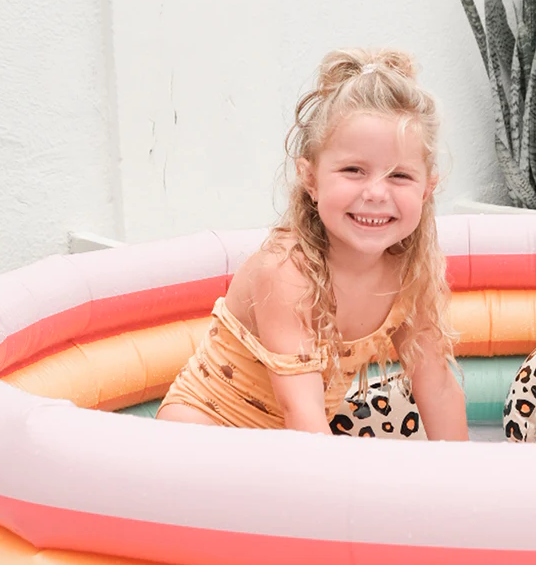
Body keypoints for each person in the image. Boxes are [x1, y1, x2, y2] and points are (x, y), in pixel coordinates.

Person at [157, 48, 468, 440]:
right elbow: (301, 412)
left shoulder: (410, 272)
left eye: (399, 176)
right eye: (353, 170)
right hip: (201, 434)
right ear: (310, 179)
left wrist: (465, 475)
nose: (376, 193)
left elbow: (437, 388)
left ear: (427, 188)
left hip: (289, 446)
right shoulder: (288, 273)